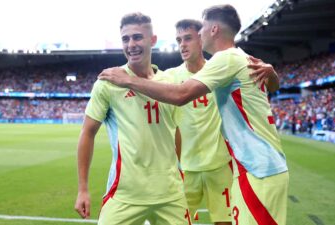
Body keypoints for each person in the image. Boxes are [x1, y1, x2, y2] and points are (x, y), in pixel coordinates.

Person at [98, 4, 289, 225]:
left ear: (214, 29)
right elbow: (271, 85)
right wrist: (273, 73)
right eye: (179, 40)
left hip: (256, 166)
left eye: (200, 30)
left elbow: (180, 95)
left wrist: (128, 79)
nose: (199, 34)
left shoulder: (225, 60)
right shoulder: (238, 59)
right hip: (232, 167)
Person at [74, 12, 191, 225]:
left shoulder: (171, 82)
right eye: (125, 39)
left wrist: (176, 169)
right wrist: (83, 189)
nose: (131, 44)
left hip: (170, 193)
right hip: (125, 194)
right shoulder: (108, 83)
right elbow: (87, 133)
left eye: (137, 37)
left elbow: (176, 131)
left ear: (153, 40)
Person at [166, 19, 280, 225]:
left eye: (188, 38)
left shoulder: (223, 69)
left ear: (201, 39)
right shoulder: (171, 77)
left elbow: (269, 85)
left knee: (226, 222)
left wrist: (272, 74)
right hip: (185, 168)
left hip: (220, 165)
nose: (182, 44)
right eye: (178, 40)